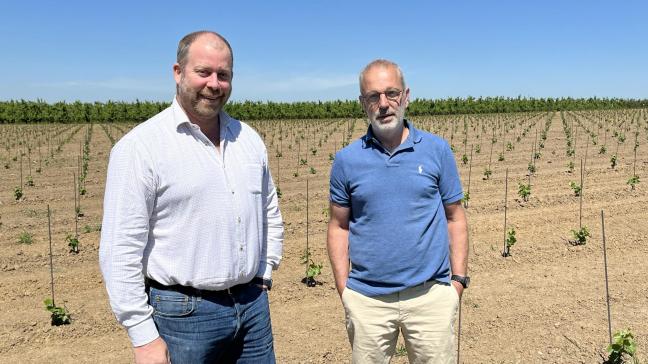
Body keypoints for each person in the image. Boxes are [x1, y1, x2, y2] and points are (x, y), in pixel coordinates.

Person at [99, 30, 284, 364]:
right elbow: (120, 249)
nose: (214, 84)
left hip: (252, 305)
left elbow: (268, 209)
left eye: (223, 75)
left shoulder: (249, 140)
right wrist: (143, 337)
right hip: (183, 316)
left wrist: (265, 271)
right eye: (204, 72)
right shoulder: (140, 148)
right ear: (178, 72)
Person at [327, 59, 469, 363]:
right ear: (362, 103)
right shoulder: (346, 160)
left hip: (431, 296)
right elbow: (338, 226)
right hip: (368, 301)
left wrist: (457, 282)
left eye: (391, 93)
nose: (383, 104)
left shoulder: (437, 150)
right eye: (373, 96)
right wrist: (345, 291)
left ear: (405, 96)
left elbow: (455, 217)